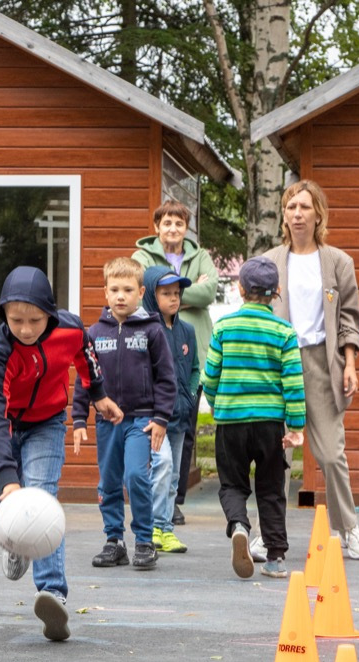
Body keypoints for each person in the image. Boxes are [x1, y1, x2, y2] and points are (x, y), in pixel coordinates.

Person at [0, 266, 122, 640]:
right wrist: (8, 481)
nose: (25, 329)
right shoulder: (0, 351)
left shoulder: (71, 329)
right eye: (16, 321)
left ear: (50, 313)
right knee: (9, 508)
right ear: (4, 317)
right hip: (6, 427)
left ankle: (52, 593)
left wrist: (98, 396)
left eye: (34, 320)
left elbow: (87, 358)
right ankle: (15, 544)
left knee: (41, 500)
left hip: (46, 423)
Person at [261, 180, 359, 560]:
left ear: (317, 214)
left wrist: (350, 364)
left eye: (304, 207)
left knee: (330, 454)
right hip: (280, 366)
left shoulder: (338, 262)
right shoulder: (270, 262)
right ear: (284, 215)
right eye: (291, 207)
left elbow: (349, 318)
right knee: (278, 455)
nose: (297, 214)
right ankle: (268, 532)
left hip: (323, 364)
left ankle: (349, 529)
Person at [203, 257, 305, 579]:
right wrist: (297, 425)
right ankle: (275, 557)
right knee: (272, 487)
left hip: (231, 422)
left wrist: (217, 404)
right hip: (269, 424)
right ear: (276, 292)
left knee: (232, 483)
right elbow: (293, 382)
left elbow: (209, 377)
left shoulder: (224, 327)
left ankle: (238, 525)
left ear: (240, 289)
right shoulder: (284, 331)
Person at [72, 256, 176, 571]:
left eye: (128, 290)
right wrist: (79, 419)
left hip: (142, 420)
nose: (121, 296)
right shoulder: (94, 332)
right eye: (114, 289)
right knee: (109, 482)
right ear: (105, 292)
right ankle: (114, 541)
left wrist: (160, 419)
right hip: (107, 423)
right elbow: (84, 378)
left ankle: (144, 541)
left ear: (140, 292)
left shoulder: (152, 331)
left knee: (136, 476)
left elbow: (166, 379)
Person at [132, 200, 220, 523]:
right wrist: (183, 291)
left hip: (190, 348)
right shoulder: (141, 255)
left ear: (187, 228)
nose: (172, 229)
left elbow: (209, 291)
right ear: (157, 227)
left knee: (186, 427)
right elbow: (142, 293)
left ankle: (176, 499)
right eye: (166, 223)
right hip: (155, 349)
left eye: (179, 223)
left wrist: (170, 299)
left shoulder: (201, 256)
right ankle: (154, 498)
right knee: (156, 425)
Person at [141, 265, 198, 554]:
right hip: (156, 417)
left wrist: (188, 396)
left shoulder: (187, 330)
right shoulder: (147, 331)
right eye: (166, 293)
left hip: (181, 416)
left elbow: (195, 369)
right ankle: (151, 526)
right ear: (152, 295)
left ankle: (166, 529)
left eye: (177, 293)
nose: (173, 298)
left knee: (175, 474)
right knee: (161, 466)